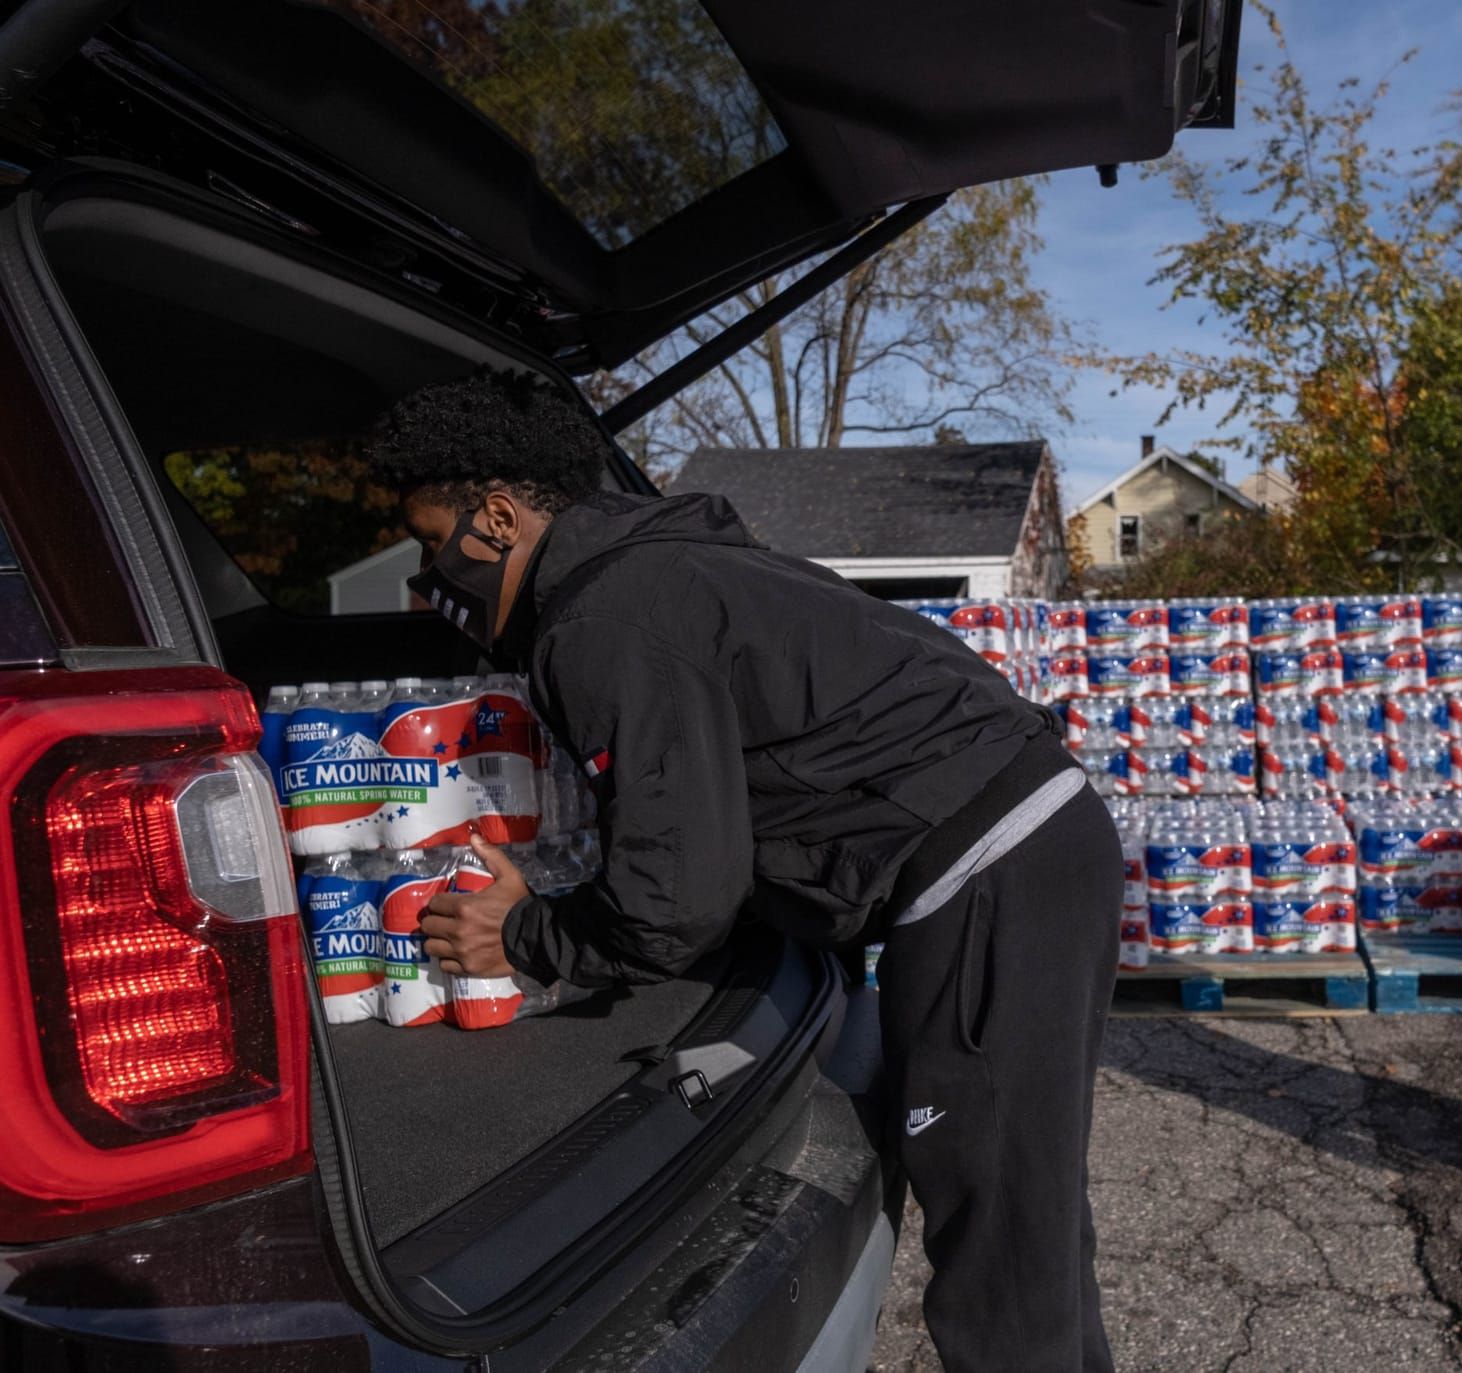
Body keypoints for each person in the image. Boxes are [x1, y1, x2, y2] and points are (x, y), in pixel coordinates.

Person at [366, 369, 1121, 1372]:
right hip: (1028, 839)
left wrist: (518, 932)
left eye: (432, 542)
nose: (431, 576)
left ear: (497, 517)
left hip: (986, 869)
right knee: (1025, 1217)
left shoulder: (603, 619)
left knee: (998, 1246)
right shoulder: (667, 563)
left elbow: (673, 898)